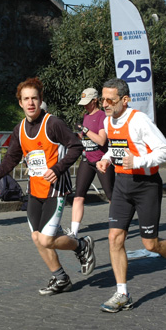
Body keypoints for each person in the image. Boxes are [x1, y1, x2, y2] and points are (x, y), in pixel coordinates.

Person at [0, 77, 94, 296]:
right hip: (35, 190)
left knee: (46, 239)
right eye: (26, 99)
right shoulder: (19, 129)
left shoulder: (53, 123)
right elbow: (11, 160)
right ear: (20, 103)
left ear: (41, 101)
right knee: (36, 237)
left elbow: (76, 146)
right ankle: (61, 278)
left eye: (34, 98)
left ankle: (81, 246)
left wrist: (58, 168)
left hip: (55, 189)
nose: (30, 103)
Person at [95, 78, 166, 313]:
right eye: (102, 99)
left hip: (146, 185)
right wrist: (107, 158)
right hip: (121, 184)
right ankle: (122, 294)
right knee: (114, 238)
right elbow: (115, 146)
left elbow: (165, 150)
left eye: (110, 100)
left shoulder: (138, 120)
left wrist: (138, 161)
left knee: (150, 244)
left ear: (125, 100)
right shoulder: (109, 121)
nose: (105, 104)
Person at [68, 87, 115, 238]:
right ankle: (73, 232)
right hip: (87, 160)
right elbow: (87, 137)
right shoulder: (86, 116)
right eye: (83, 103)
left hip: (102, 161)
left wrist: (85, 130)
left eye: (87, 103)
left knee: (111, 195)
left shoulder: (102, 116)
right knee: (78, 195)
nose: (85, 106)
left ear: (95, 100)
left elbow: (101, 140)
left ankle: (118, 227)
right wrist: (78, 135)